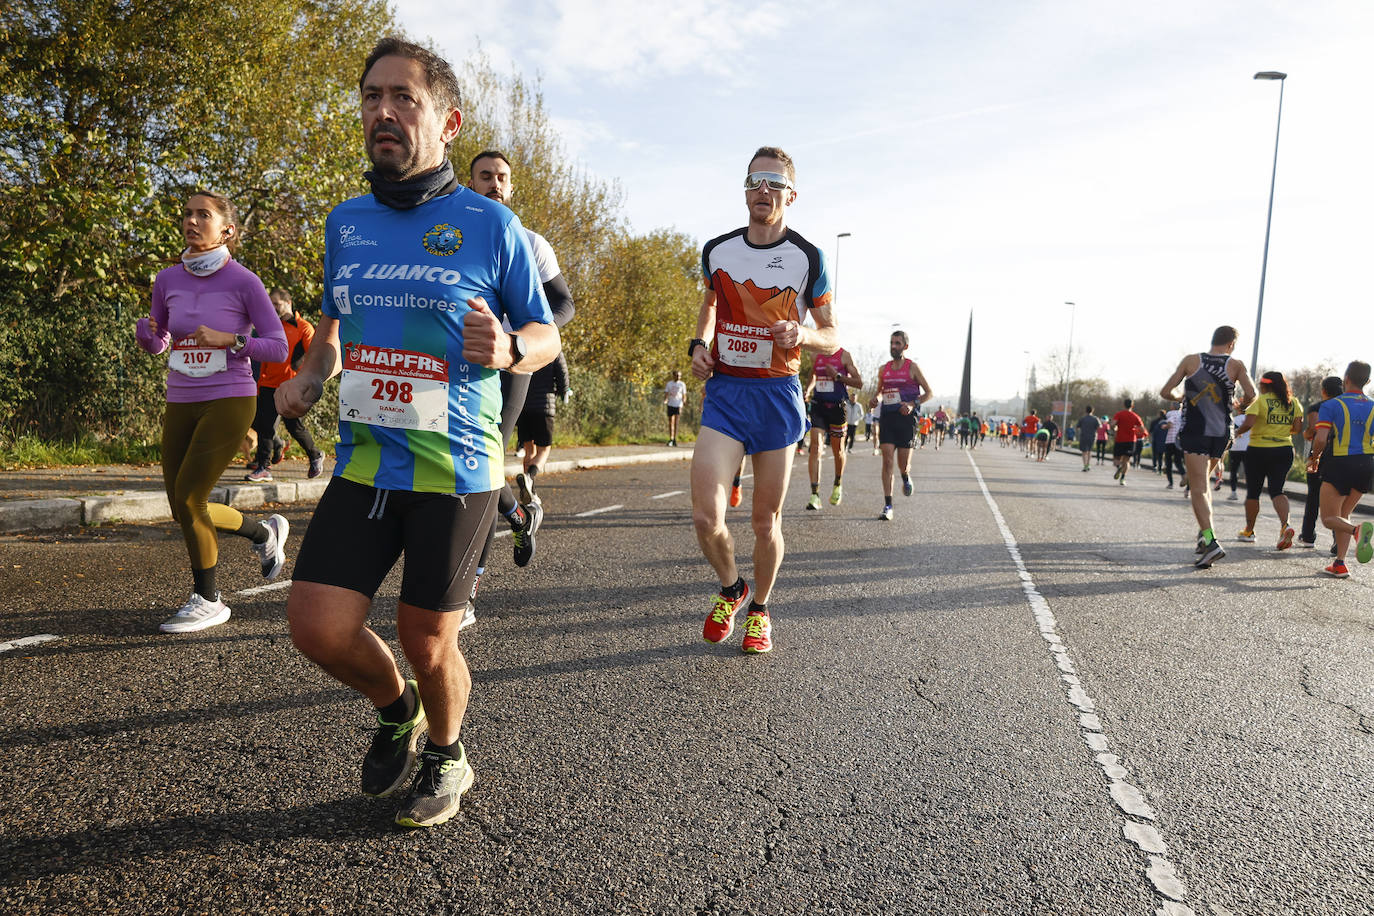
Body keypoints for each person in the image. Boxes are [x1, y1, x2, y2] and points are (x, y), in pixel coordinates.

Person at [275, 39, 559, 828]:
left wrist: (508, 349)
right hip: (367, 460)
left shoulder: (488, 223)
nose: (383, 112)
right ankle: (395, 706)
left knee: (427, 637)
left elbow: (548, 334)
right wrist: (309, 376)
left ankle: (447, 750)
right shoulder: (346, 222)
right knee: (317, 627)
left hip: (457, 466)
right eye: (372, 97)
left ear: (446, 120)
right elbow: (332, 330)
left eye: (404, 98)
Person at [690, 145, 837, 655]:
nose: (763, 191)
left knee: (764, 520)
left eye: (774, 183)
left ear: (791, 194)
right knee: (707, 518)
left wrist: (801, 334)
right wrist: (698, 346)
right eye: (755, 181)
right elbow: (709, 305)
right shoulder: (717, 250)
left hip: (776, 394)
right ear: (745, 188)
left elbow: (832, 334)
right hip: (728, 393)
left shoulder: (808, 256)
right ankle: (733, 588)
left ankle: (761, 609)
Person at [135, 191, 290, 634]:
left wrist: (231, 340)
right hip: (180, 397)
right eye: (187, 213)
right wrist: (148, 337)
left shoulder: (244, 281)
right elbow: (162, 339)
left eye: (203, 214)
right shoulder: (167, 279)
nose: (191, 220)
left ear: (227, 230)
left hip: (230, 396)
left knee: (190, 498)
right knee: (181, 505)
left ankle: (209, 599)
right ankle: (264, 534)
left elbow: (277, 346)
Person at [1160, 325, 1256, 568]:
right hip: (1223, 433)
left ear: (1213, 340)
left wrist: (1181, 398)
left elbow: (1165, 391)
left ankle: (1211, 541)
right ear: (1231, 344)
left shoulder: (1191, 361)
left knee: (1199, 487)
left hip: (1196, 431)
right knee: (1203, 485)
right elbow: (1252, 394)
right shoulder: (1236, 365)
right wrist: (1238, 404)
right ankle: (1204, 540)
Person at [245, 288, 326, 482]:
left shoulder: (304, 327)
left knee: (293, 426)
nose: (272, 308)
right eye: (270, 304)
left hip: (291, 386)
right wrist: (259, 381)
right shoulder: (269, 327)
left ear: (288, 302)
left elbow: (314, 357)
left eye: (276, 304)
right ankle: (263, 467)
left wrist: (304, 382)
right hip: (267, 384)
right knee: (264, 425)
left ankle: (315, 454)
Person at [1306, 360, 1374, 578]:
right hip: (1366, 464)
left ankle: (1357, 530)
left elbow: (1320, 439)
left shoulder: (1332, 405)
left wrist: (1314, 458)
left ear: (1346, 379)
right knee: (1345, 513)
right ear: (1368, 381)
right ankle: (1340, 563)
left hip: (1340, 463)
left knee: (1328, 518)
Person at [1234, 370, 1301, 548]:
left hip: (1259, 450)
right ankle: (1285, 525)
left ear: (1264, 385)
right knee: (1277, 490)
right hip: (1284, 449)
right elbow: (1297, 428)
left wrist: (1236, 433)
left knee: (1253, 492)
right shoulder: (1293, 402)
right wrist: (1280, 428)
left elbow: (1248, 423)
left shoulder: (1261, 401)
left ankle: (1249, 530)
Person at [875, 330, 932, 519]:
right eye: (892, 342)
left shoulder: (912, 367)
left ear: (905, 346)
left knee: (903, 464)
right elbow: (880, 391)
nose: (893, 346)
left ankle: (906, 476)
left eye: (897, 343)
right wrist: (875, 398)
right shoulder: (884, 369)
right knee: (887, 461)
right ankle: (888, 505)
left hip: (907, 420)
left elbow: (929, 393)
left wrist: (911, 404)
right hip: (888, 418)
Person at [802, 346, 862, 509]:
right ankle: (815, 495)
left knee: (838, 450)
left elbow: (859, 383)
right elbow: (813, 375)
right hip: (819, 405)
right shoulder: (815, 355)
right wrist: (808, 388)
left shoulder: (844, 355)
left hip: (837, 407)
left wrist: (838, 376)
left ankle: (838, 484)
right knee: (815, 447)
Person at [515, 350, 570, 505]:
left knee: (529, 450)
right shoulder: (553, 348)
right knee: (544, 451)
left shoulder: (525, 344)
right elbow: (562, 373)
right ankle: (529, 477)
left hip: (523, 405)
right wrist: (563, 391)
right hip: (543, 407)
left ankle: (531, 491)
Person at [1298, 376, 1343, 549]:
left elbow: (1313, 433)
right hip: (1340, 454)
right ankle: (1338, 541)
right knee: (1338, 500)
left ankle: (1308, 536)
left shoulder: (1317, 408)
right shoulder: (1346, 406)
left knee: (1313, 496)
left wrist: (1307, 435)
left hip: (1319, 452)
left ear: (1323, 390)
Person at [1111, 398, 1145, 486]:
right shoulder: (1136, 416)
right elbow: (1142, 429)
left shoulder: (1118, 414)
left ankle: (1119, 467)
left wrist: (1115, 429)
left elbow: (1112, 424)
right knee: (1126, 461)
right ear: (1132, 406)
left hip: (1119, 439)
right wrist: (1135, 429)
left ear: (1124, 405)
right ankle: (1122, 479)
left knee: (1116, 460)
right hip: (1131, 441)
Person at [1224, 409, 1250, 502]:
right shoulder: (1251, 420)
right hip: (1248, 448)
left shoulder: (1234, 419)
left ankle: (1233, 492)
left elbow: (1230, 434)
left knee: (1233, 472)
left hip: (1235, 449)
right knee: (1249, 473)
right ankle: (1250, 494)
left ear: (1239, 410)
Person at [664, 369, 687, 446]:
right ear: (673, 376)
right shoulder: (669, 384)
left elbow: (684, 395)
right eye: (677, 375)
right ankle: (671, 438)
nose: (678, 377)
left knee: (676, 422)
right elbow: (666, 393)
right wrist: (666, 400)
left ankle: (675, 439)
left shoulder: (682, 384)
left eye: (680, 376)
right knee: (671, 422)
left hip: (678, 404)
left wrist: (684, 401)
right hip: (671, 404)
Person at [1076, 405, 1100, 472]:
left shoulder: (1082, 418)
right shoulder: (1095, 419)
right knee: (1089, 451)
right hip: (1092, 437)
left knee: (1084, 452)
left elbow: (1077, 427)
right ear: (1092, 411)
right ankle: (1088, 464)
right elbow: (1099, 427)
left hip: (1083, 436)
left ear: (1085, 410)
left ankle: (1085, 465)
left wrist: (1081, 430)